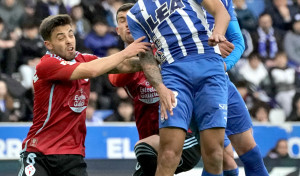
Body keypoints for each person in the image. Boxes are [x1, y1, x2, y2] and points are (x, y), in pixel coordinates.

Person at [18, 14, 150, 176]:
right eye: (61, 37)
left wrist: (156, 61)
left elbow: (122, 65)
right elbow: (93, 70)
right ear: (49, 45)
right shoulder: (46, 65)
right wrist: (126, 52)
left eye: (71, 34)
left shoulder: (84, 59)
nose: (68, 40)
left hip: (73, 155)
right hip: (39, 152)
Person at [127, 0, 230, 175]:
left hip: (210, 68)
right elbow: (145, 56)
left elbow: (221, 12)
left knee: (214, 153)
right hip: (174, 76)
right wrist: (160, 87)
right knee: (168, 153)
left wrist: (218, 33)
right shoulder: (134, 14)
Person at [109, 4, 201, 176]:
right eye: (122, 20)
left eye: (131, 18)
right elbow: (115, 78)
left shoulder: (166, 49)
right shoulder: (121, 62)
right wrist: (139, 57)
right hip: (152, 144)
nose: (128, 23)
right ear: (118, 30)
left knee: (142, 147)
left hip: (185, 135)